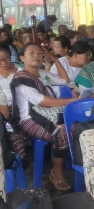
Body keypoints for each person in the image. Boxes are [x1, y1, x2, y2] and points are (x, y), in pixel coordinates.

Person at [11, 44, 78, 191]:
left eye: (39, 53)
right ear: (22, 58)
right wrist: (69, 101)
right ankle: (56, 171)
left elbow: (65, 81)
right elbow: (40, 100)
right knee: (61, 130)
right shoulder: (21, 78)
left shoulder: (43, 74)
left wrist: (55, 59)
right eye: (31, 53)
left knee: (75, 125)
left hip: (49, 114)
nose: (36, 56)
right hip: (29, 119)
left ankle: (74, 164)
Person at [0, 43, 18, 110]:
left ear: (10, 56)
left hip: (20, 108)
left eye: (6, 59)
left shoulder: (21, 71)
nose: (3, 63)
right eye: (0, 60)